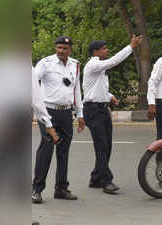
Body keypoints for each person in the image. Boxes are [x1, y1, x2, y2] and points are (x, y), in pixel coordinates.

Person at [83, 35, 142, 194]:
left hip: (102, 109)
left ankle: (95, 178)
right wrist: (131, 46)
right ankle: (105, 181)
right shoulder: (94, 64)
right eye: (104, 48)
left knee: (107, 146)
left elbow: (95, 88)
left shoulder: (99, 69)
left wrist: (109, 96)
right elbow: (114, 61)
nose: (107, 50)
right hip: (93, 110)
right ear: (96, 52)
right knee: (102, 146)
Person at [32, 36, 85, 204]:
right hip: (47, 111)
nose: (61, 51)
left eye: (65, 48)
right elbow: (32, 83)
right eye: (59, 47)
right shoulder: (45, 63)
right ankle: (37, 189)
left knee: (64, 151)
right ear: (56, 48)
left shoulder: (75, 65)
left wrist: (80, 113)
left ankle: (61, 188)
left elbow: (76, 89)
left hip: (66, 112)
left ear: (70, 49)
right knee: (46, 149)